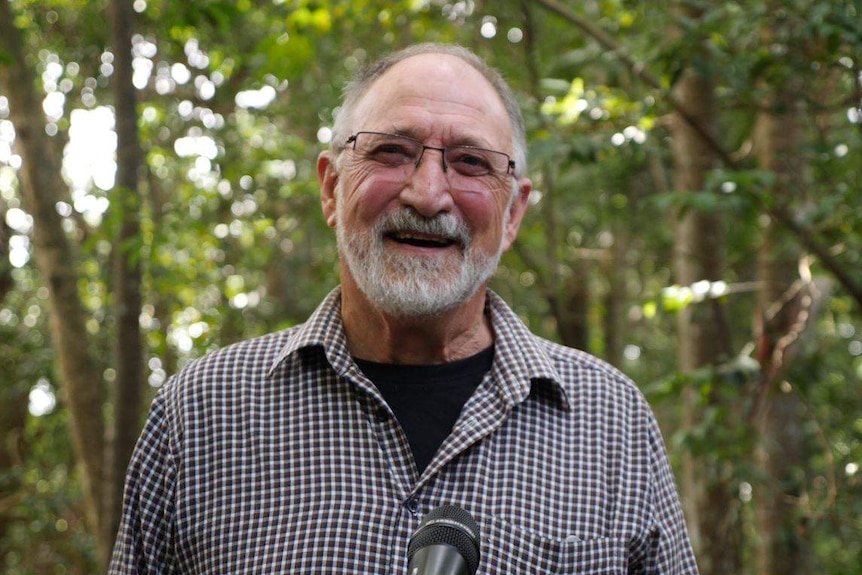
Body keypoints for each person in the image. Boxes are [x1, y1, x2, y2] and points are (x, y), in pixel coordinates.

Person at [109, 43, 700, 574]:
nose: (428, 193)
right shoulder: (204, 414)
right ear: (330, 188)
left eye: (470, 162)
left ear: (514, 213)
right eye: (392, 152)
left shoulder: (609, 422)